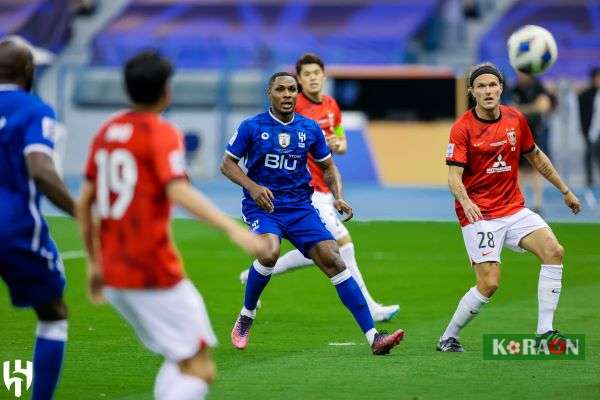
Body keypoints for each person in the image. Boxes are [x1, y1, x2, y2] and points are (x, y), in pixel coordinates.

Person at [77, 51, 263, 400]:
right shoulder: (160, 132)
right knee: (199, 368)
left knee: (180, 359)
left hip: (115, 273)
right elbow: (177, 189)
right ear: (166, 91)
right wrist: (234, 230)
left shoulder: (107, 132)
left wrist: (93, 263)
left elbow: (84, 201)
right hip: (152, 270)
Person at [221, 72, 405, 355]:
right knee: (269, 251)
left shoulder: (309, 128)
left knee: (335, 259)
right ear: (269, 93)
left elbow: (328, 167)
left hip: (300, 207)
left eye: (292, 90)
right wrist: (253, 187)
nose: (287, 94)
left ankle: (374, 338)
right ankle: (247, 314)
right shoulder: (252, 126)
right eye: (280, 89)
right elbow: (228, 164)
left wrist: (338, 197)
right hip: (264, 206)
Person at [438, 63, 581, 352]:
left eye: (493, 85)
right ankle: (448, 337)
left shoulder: (515, 119)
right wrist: (465, 201)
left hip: (514, 209)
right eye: (481, 86)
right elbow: (453, 176)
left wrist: (565, 191)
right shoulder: (462, 128)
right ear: (472, 91)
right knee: (489, 283)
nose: (488, 91)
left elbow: (537, 157)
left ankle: (545, 331)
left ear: (501, 88)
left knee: (554, 251)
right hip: (479, 215)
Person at [0, 38, 74, 399]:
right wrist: (81, 213)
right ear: (28, 71)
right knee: (53, 311)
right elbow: (41, 169)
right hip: (12, 229)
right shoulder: (33, 109)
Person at [510, 71, 554, 214]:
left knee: (537, 167)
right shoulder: (515, 88)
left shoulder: (537, 86)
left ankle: (538, 203)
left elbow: (544, 106)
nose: (520, 75)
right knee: (519, 169)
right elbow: (511, 109)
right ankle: (519, 203)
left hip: (536, 133)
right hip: (518, 134)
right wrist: (532, 107)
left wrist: (523, 109)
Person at [578, 67, 600, 188]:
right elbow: (583, 115)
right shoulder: (585, 95)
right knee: (589, 155)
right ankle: (589, 181)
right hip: (591, 131)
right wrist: (584, 129)